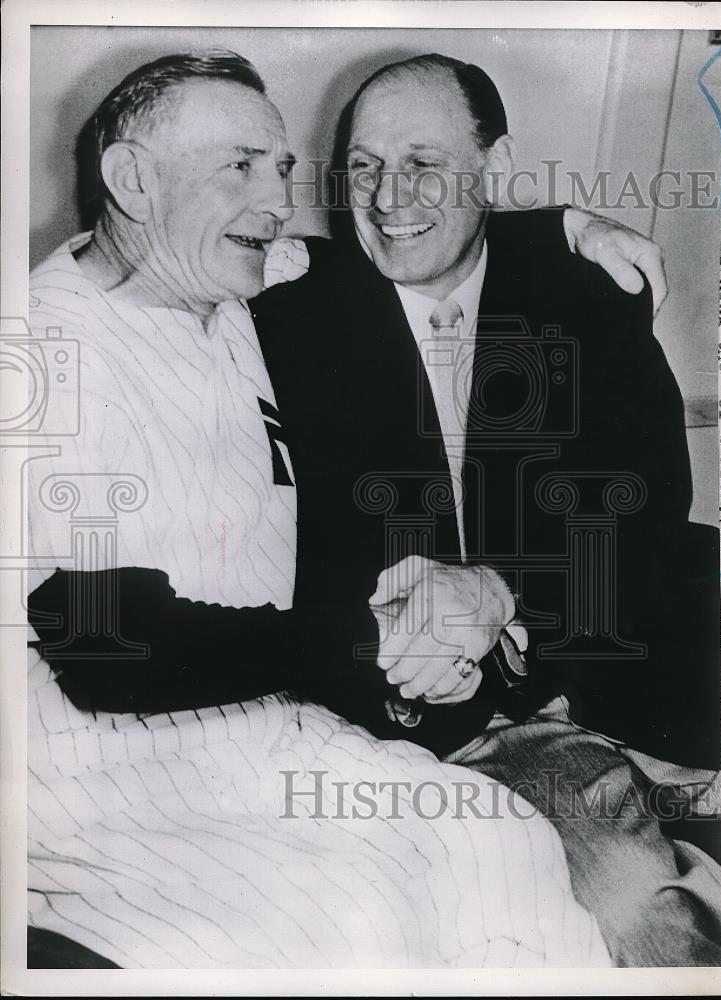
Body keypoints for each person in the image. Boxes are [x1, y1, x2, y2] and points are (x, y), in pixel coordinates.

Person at [24, 50, 661, 970]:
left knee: (498, 845)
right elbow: (97, 645)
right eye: (239, 165)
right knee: (362, 917)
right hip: (104, 771)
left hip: (263, 728)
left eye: (281, 168)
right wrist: (376, 637)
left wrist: (568, 224)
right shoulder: (42, 347)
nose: (277, 200)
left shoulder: (230, 288)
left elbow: (436, 236)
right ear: (132, 181)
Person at [252, 53, 721, 966]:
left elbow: (650, 508)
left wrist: (504, 596)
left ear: (494, 170)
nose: (389, 196)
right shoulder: (289, 311)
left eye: (424, 162)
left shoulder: (587, 291)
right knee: (630, 916)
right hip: (457, 724)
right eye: (362, 164)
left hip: (636, 671)